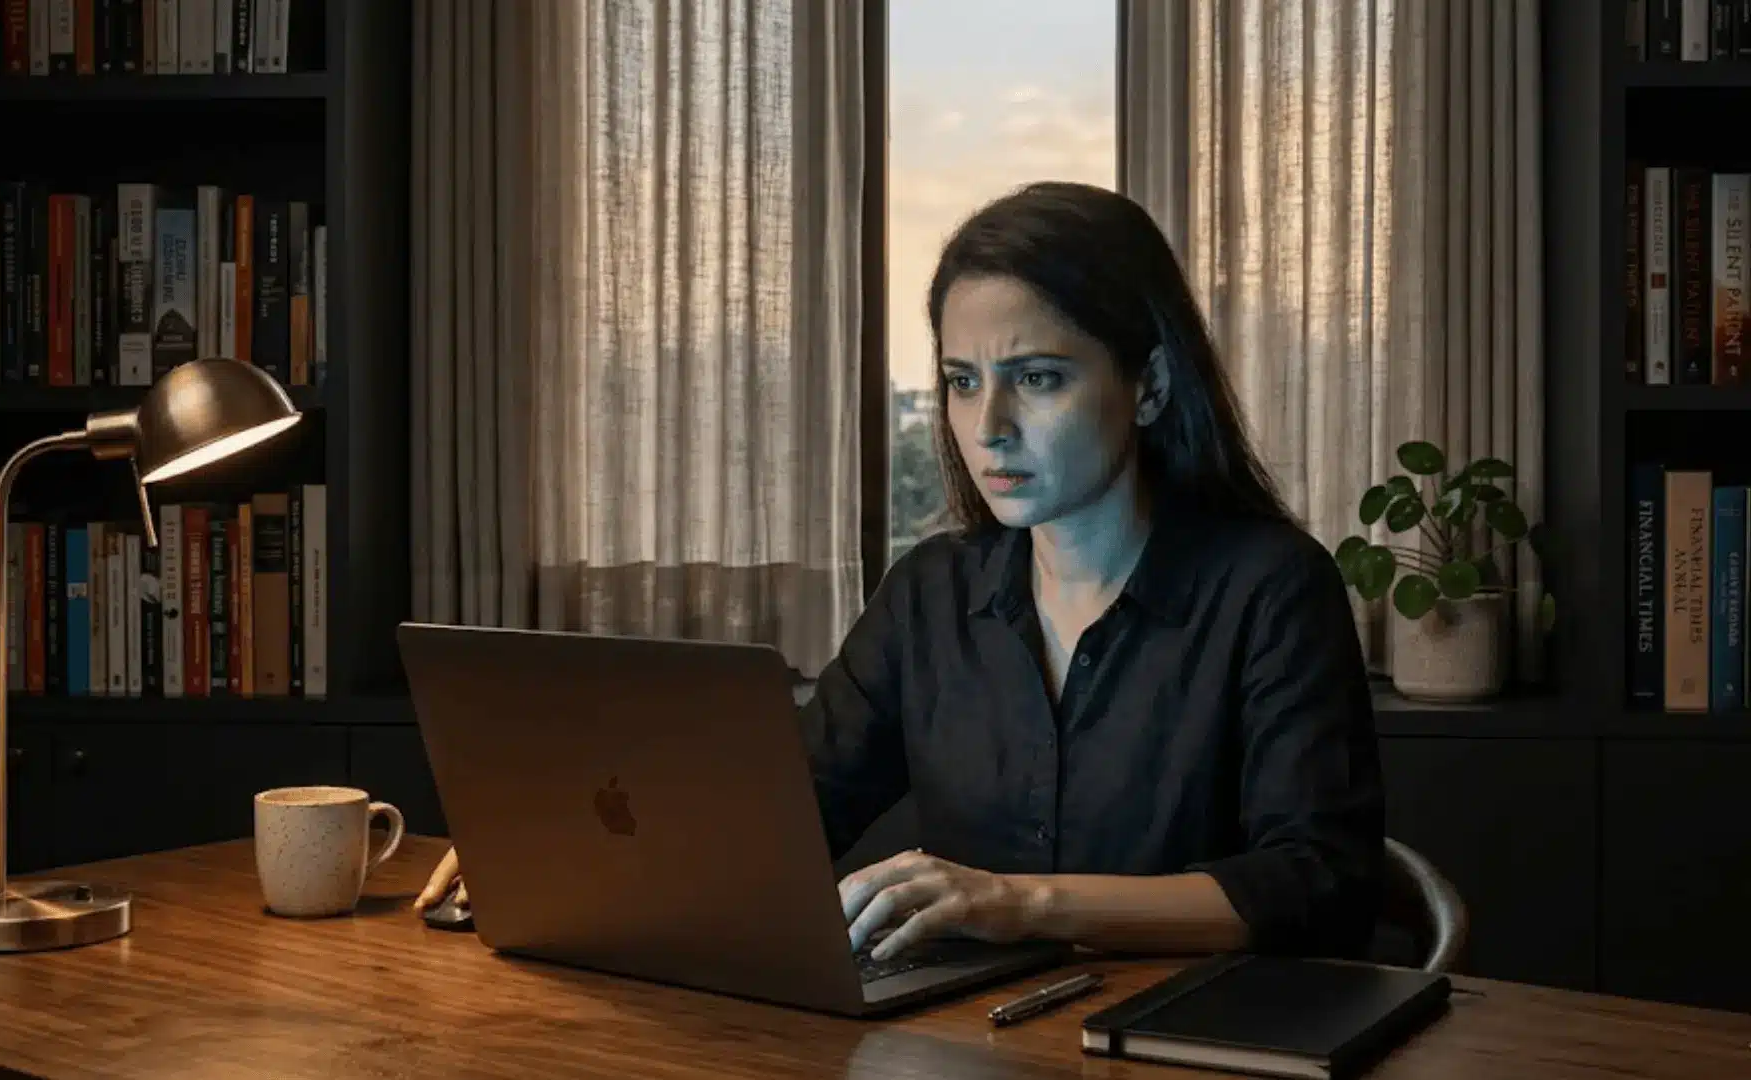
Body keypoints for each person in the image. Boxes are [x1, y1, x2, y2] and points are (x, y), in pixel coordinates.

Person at [416, 180, 1384, 966]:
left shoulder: (1271, 587)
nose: (987, 426)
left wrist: (1020, 904)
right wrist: (556, 852)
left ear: (1152, 384)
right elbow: (788, 812)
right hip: (971, 1043)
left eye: (1038, 378)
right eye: (962, 381)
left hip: (1192, 1046)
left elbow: (1319, 882)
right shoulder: (931, 593)